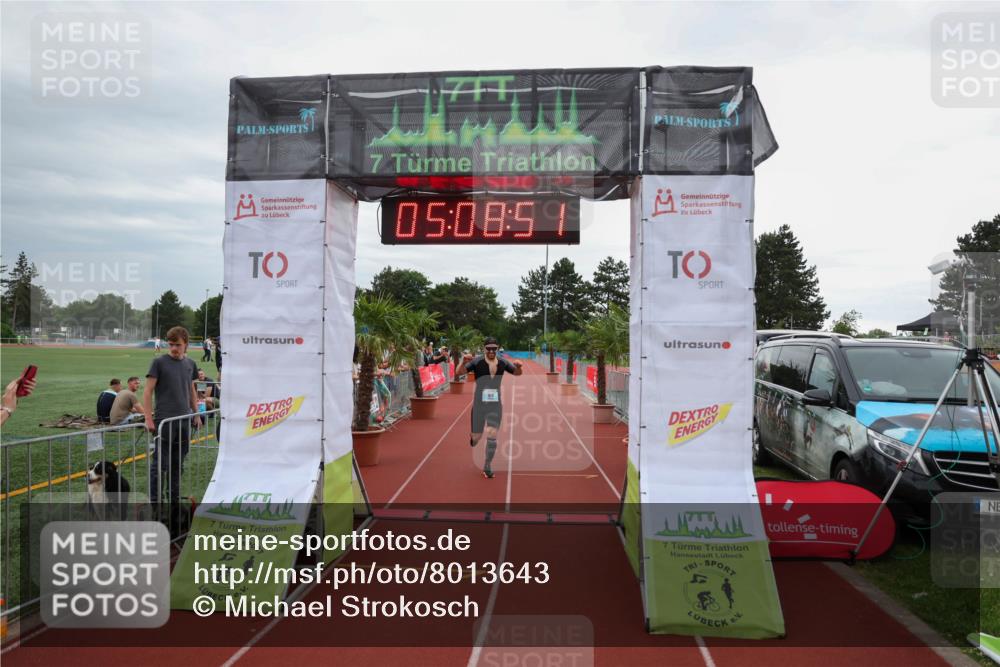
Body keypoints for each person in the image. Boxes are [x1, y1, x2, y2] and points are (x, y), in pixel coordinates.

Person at [144, 326, 201, 535]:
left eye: (178, 344)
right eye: (171, 344)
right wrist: (148, 418)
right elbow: (148, 391)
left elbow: (191, 390)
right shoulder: (159, 362)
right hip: (164, 422)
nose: (174, 348)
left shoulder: (190, 364)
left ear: (186, 344)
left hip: (183, 421)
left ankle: (175, 505)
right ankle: (156, 506)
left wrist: (196, 414)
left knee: (178, 465)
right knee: (160, 466)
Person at [459, 336, 523, 479]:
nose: (492, 351)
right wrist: (462, 362)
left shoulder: (503, 362)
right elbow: (459, 372)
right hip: (479, 404)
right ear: (484, 349)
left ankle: (487, 465)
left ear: (498, 348)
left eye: (494, 349)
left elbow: (517, 373)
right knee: (476, 438)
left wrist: (519, 367)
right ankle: (473, 438)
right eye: (489, 349)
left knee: (492, 435)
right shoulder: (477, 361)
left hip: (495, 404)